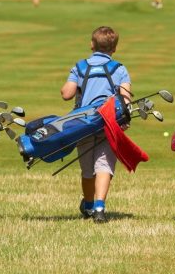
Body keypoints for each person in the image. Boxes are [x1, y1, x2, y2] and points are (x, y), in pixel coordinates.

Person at [61, 26, 132, 223]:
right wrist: (125, 121)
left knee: (87, 170)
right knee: (104, 166)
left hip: (83, 124)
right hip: (108, 123)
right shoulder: (119, 69)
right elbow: (126, 99)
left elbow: (67, 94)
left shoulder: (81, 67)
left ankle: (89, 204)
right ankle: (100, 207)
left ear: (92, 45)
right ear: (114, 48)